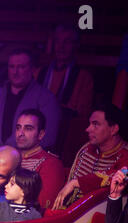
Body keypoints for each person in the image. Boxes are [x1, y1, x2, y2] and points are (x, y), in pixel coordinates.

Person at [52, 104, 128, 210]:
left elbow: (126, 175)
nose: (88, 129)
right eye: (90, 124)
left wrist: (77, 183)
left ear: (113, 129)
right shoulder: (87, 148)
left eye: (95, 124)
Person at [36, 24, 94, 163]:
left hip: (66, 135)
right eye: (58, 41)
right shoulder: (39, 73)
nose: (61, 46)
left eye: (67, 42)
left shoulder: (83, 77)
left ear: (76, 45)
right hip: (37, 130)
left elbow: (82, 113)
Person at [0, 47, 61, 151]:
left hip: (26, 160)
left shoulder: (46, 98)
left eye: (21, 67)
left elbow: (48, 137)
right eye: (12, 66)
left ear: (32, 69)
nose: (15, 72)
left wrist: (19, 156)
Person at [15, 109, 65, 209]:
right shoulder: (11, 156)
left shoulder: (51, 164)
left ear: (41, 134)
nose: (20, 133)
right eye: (18, 127)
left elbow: (42, 207)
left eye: (28, 128)